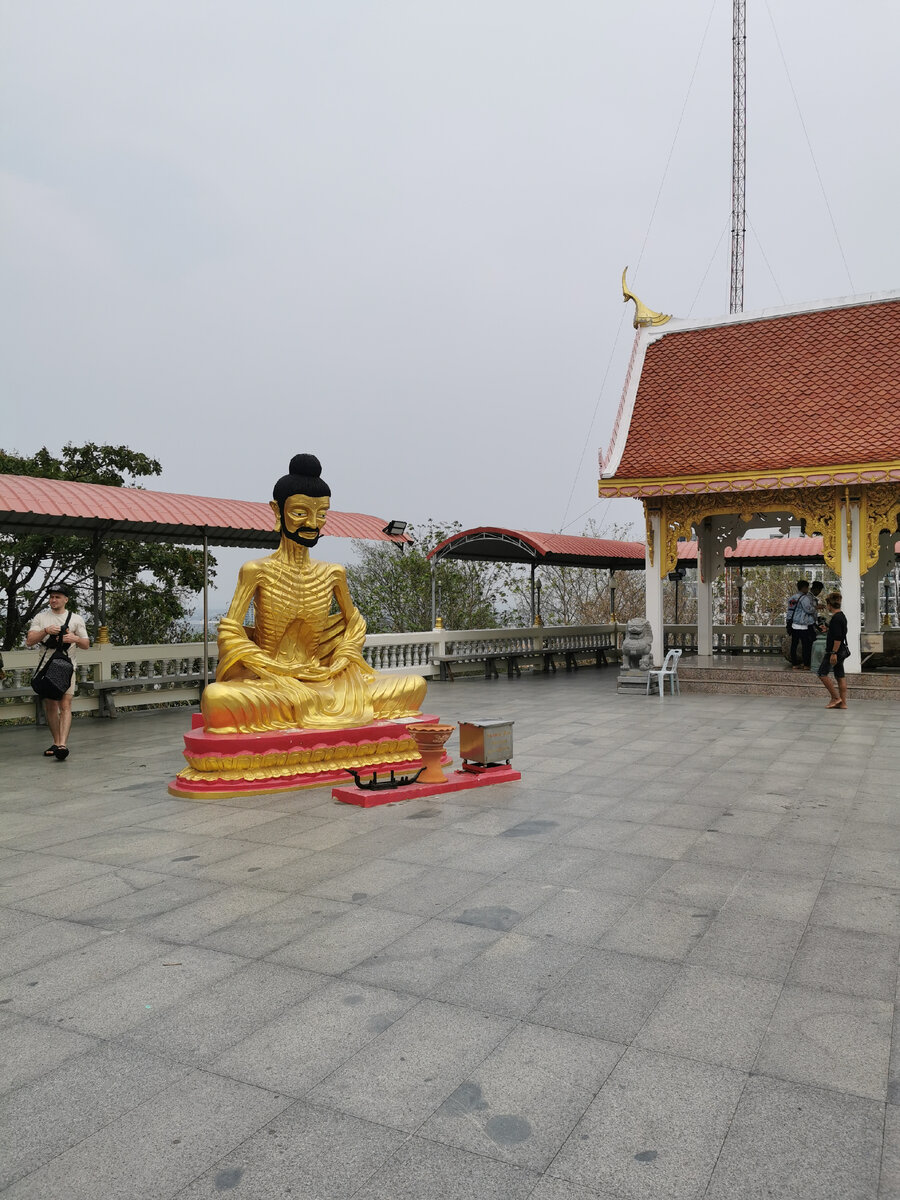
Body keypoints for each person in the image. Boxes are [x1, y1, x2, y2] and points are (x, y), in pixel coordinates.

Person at [201, 454, 426, 734]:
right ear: (277, 511)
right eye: (299, 512)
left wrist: (340, 662)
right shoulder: (256, 571)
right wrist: (280, 670)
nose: (312, 524)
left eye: (321, 514)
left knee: (413, 685)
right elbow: (230, 635)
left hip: (325, 679)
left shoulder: (333, 573)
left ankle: (317, 706)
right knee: (218, 698)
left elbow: (354, 625)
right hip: (272, 681)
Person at [25, 583, 91, 760]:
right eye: (51, 597)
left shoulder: (76, 619)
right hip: (46, 667)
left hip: (67, 668)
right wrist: (46, 631)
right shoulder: (41, 618)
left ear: (65, 600)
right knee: (51, 706)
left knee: (66, 704)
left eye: (57, 597)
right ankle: (56, 742)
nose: (53, 600)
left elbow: (86, 644)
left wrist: (74, 638)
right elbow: (29, 641)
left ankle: (62, 744)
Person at [817, 590, 850, 709]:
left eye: (827, 605)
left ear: (830, 605)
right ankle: (843, 703)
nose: (827, 607)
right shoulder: (841, 616)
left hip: (834, 651)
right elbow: (839, 632)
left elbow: (837, 637)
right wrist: (828, 630)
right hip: (841, 651)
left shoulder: (836, 619)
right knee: (840, 675)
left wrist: (833, 653)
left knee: (822, 673)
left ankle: (836, 697)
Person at [787, 579, 818, 670]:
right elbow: (808, 609)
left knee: (794, 645)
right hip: (803, 625)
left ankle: (794, 664)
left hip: (794, 625)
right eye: (807, 587)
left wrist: (788, 621)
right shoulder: (805, 598)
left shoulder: (792, 598)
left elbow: (790, 611)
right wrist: (816, 607)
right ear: (804, 588)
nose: (808, 589)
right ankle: (806, 665)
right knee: (806, 645)